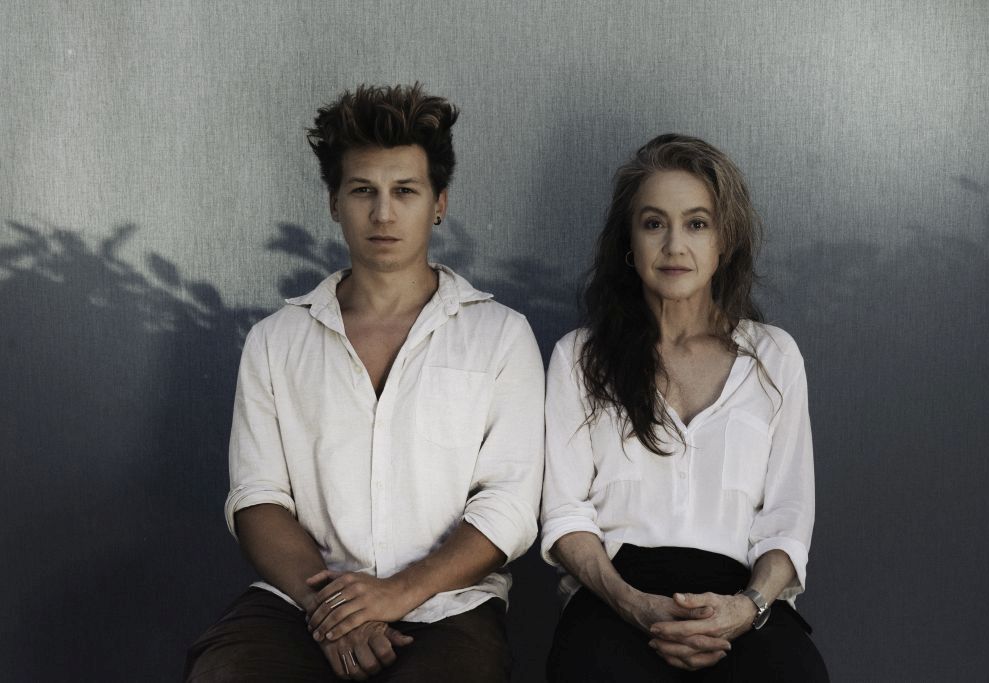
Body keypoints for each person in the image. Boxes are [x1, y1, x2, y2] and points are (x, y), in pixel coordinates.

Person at [184, 84, 545, 682]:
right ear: (334, 202)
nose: (383, 213)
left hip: (445, 605)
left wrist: (397, 593)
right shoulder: (276, 340)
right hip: (300, 601)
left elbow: (509, 504)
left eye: (404, 190)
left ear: (438, 203)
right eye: (362, 191)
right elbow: (258, 498)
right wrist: (337, 611)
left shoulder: (500, 335)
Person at [540, 134, 828, 681]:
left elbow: (788, 520)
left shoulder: (774, 357)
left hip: (741, 597)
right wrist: (633, 604)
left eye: (697, 224)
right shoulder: (578, 357)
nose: (675, 245)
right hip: (614, 597)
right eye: (654, 223)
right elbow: (565, 515)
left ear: (725, 241)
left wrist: (745, 609)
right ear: (629, 242)